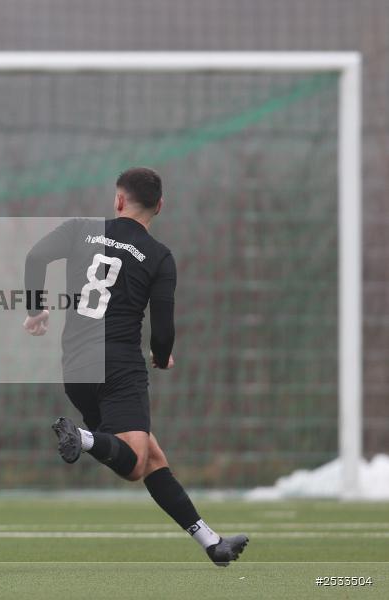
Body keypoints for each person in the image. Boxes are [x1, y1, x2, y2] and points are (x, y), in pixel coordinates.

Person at [23, 167, 249, 566]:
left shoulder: (81, 229)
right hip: (119, 366)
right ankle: (84, 436)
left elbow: (35, 256)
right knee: (134, 463)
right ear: (160, 206)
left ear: (119, 200)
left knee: (152, 457)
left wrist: (35, 309)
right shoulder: (159, 256)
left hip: (76, 365)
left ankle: (211, 542)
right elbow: (163, 330)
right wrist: (161, 357)